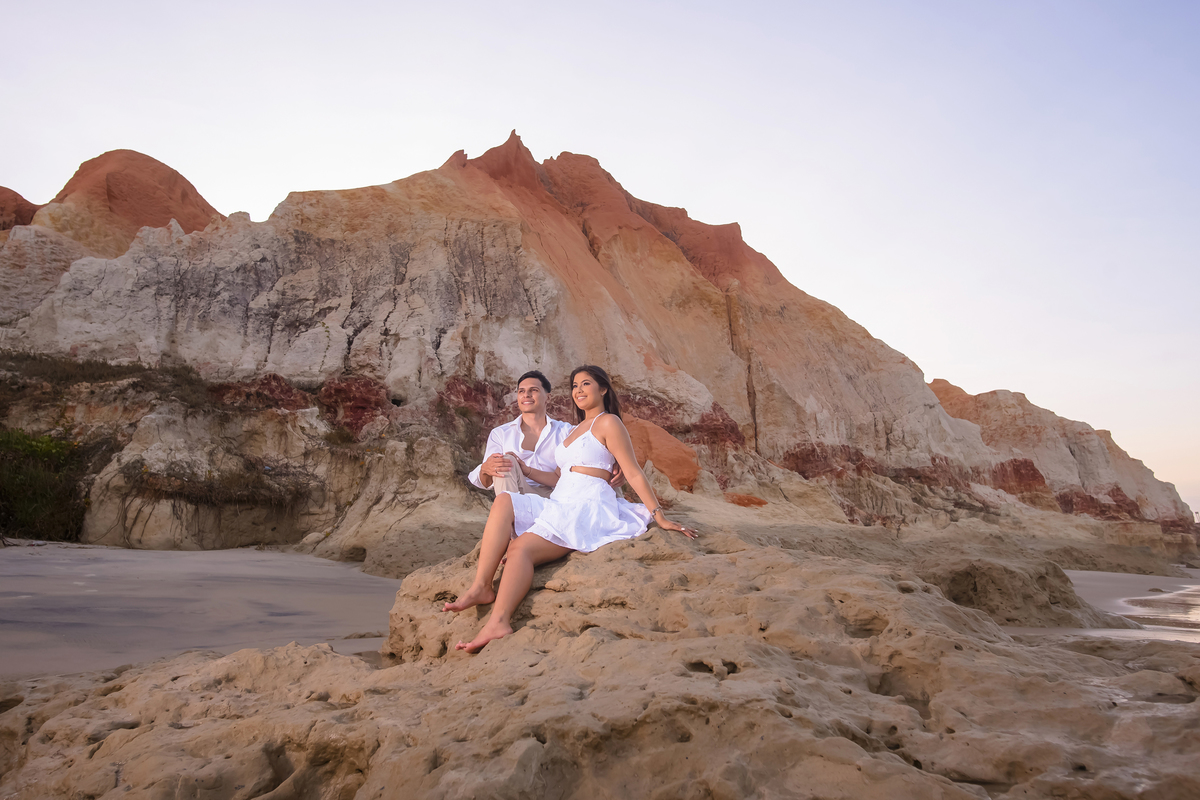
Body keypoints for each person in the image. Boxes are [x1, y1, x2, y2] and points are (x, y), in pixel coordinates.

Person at [445, 365, 698, 653]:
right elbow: (558, 477)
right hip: (560, 499)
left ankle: (498, 622)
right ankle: (481, 586)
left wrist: (659, 515)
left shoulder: (609, 422)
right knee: (504, 501)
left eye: (586, 384)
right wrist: (526, 468)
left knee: (520, 550)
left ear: (603, 389)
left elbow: (633, 471)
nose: (578, 390)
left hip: (585, 504)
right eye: (575, 385)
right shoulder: (574, 430)